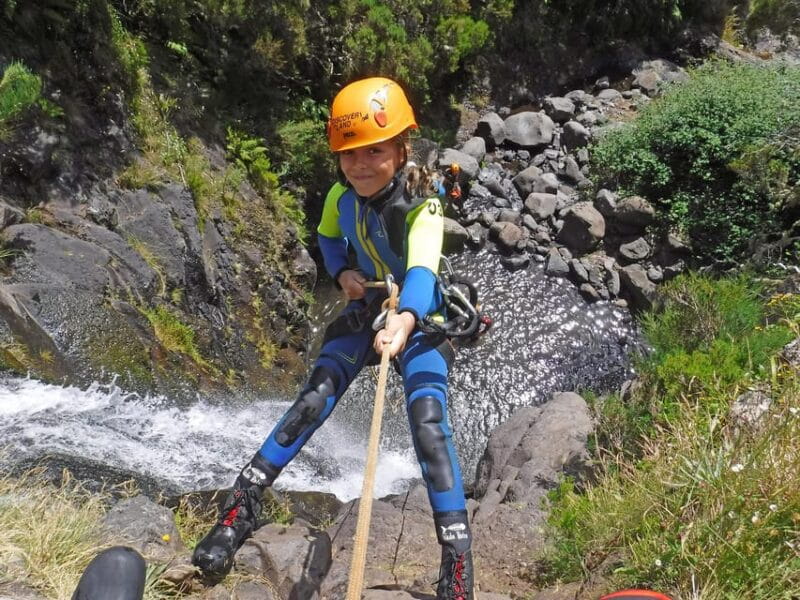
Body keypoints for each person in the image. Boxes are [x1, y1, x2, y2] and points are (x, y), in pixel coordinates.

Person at [192, 76, 474, 599]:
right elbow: (326, 236)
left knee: (428, 425)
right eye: (349, 153)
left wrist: (405, 320)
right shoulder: (340, 197)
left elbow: (422, 270)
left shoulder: (423, 203)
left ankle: (457, 564)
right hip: (369, 306)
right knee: (313, 398)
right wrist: (342, 271)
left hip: (421, 316)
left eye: (374, 151)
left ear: (401, 149)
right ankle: (239, 509)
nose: (360, 164)